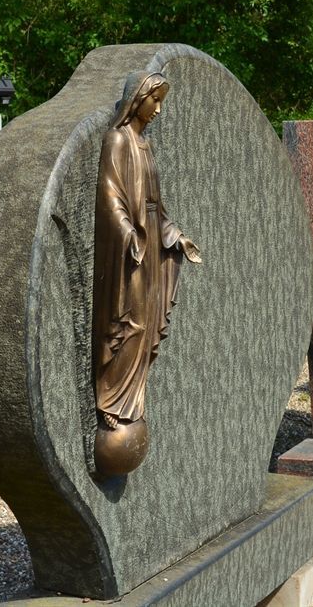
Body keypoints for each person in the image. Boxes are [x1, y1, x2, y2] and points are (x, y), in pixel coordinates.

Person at [92, 71, 201, 476]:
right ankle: (113, 402)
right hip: (131, 247)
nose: (157, 110)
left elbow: (156, 204)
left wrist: (176, 237)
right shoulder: (117, 141)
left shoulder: (146, 145)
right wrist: (126, 234)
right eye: (153, 101)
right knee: (132, 322)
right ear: (136, 100)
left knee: (150, 320)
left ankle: (133, 400)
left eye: (159, 102)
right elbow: (110, 195)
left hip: (153, 242)